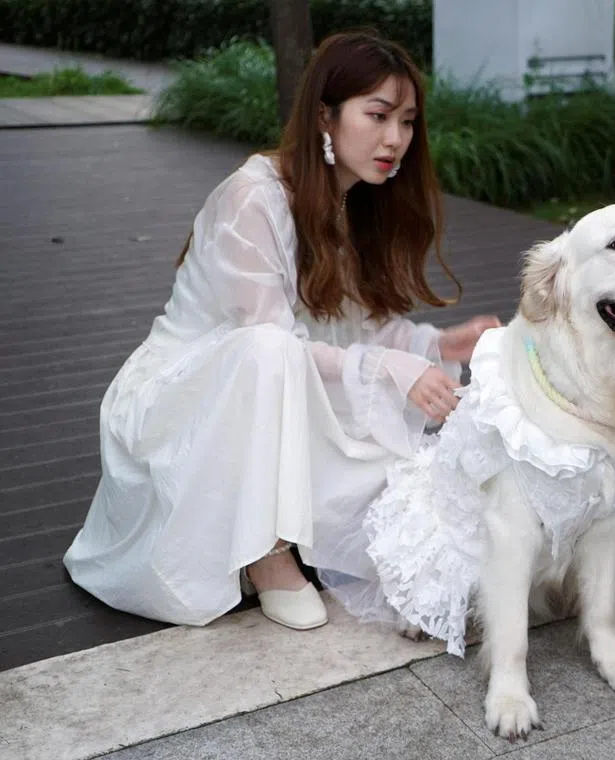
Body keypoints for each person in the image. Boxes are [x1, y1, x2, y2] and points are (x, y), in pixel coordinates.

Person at [62, 30, 500, 633]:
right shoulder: (254, 196)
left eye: (406, 121)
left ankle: (291, 532)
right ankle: (266, 551)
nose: (395, 139)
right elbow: (268, 344)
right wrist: (382, 369)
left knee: (413, 499)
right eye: (377, 116)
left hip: (274, 384)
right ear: (325, 114)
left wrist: (439, 345)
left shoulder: (350, 201)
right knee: (268, 351)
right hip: (185, 396)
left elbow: (348, 326)